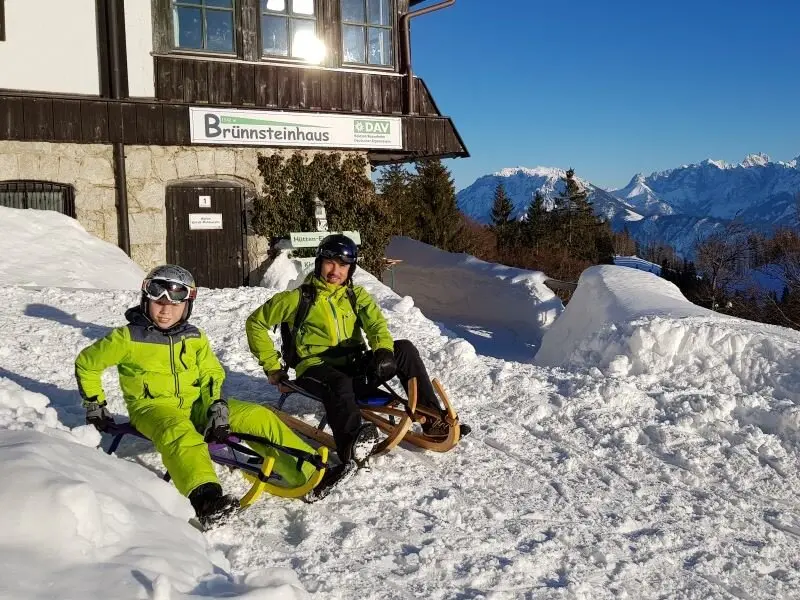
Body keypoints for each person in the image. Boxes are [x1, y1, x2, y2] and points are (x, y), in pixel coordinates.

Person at [74, 265, 339, 528]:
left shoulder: (194, 337)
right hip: (153, 409)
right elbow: (87, 363)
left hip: (195, 405)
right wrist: (95, 403)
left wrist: (216, 406)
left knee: (258, 415)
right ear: (146, 300)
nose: (166, 311)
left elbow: (211, 373)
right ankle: (206, 499)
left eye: (175, 305)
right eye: (159, 303)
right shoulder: (127, 338)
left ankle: (312, 471)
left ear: (187, 306)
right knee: (181, 433)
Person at [245, 234, 469, 467]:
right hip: (315, 369)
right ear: (319, 263)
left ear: (350, 269)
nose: (336, 271)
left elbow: (376, 325)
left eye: (343, 266)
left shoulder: (356, 296)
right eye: (330, 263)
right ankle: (352, 444)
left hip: (355, 366)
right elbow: (255, 323)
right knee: (338, 382)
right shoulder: (298, 298)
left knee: (403, 348)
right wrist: (273, 368)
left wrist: (383, 351)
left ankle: (432, 420)